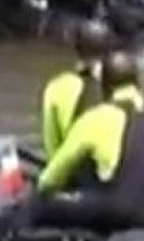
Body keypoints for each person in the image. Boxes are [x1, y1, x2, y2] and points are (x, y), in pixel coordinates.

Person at [35, 51, 144, 231]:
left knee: (37, 204)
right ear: (140, 84)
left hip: (121, 214)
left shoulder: (97, 118)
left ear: (104, 87)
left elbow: (49, 180)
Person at [41, 19, 112, 160]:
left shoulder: (56, 87)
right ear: (110, 50)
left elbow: (51, 143)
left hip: (68, 168)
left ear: (76, 48)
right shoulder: (123, 83)